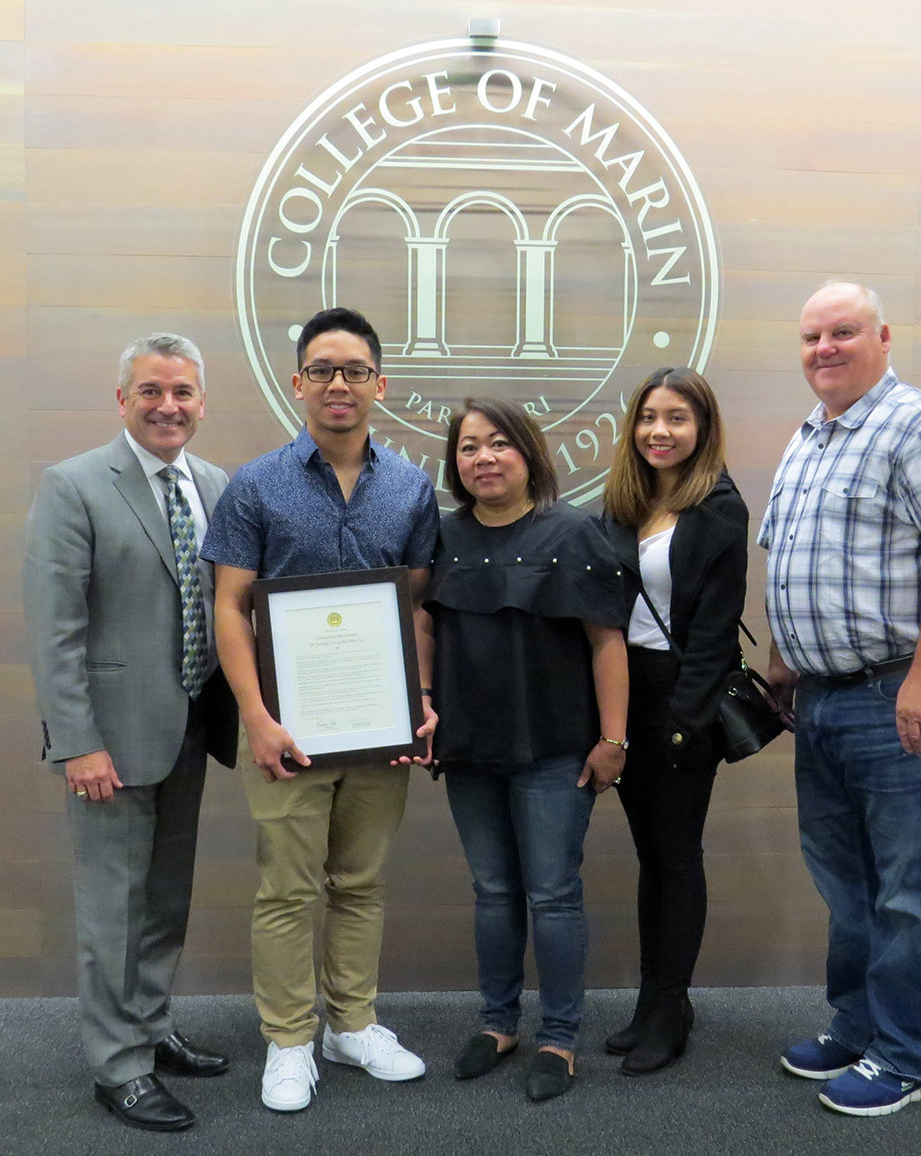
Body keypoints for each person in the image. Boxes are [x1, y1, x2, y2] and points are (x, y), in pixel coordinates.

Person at [759, 282, 921, 1117]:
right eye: (812, 334)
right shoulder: (809, 439)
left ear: (883, 337)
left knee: (908, 887)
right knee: (847, 883)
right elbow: (790, 558)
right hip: (824, 699)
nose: (825, 347)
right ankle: (858, 1027)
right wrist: (784, 662)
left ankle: (910, 1055)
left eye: (843, 332)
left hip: (903, 692)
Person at [201, 307, 438, 1111]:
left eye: (356, 370)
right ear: (298, 382)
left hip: (378, 728)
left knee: (362, 882)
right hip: (285, 728)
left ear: (381, 384)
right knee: (287, 890)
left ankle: (352, 1024)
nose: (341, 384)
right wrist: (257, 719)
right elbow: (229, 608)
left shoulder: (410, 486)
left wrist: (422, 702)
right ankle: (290, 1039)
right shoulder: (256, 484)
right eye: (324, 370)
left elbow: (415, 609)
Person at [23, 334, 239, 1132]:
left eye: (182, 392)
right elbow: (56, 630)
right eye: (150, 391)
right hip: (107, 741)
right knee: (113, 907)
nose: (167, 406)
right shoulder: (74, 485)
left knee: (163, 899)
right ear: (123, 401)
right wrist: (76, 740)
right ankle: (117, 1068)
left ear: (201, 402)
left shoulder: (215, 485)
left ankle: (149, 1030)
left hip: (189, 726)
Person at [421, 398, 628, 1102]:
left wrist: (613, 738)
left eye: (500, 443)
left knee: (554, 895)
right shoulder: (440, 536)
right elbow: (423, 624)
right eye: (470, 446)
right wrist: (419, 699)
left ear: (529, 453)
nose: (483, 457)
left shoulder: (574, 530)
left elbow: (607, 642)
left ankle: (560, 1037)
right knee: (494, 892)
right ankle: (498, 1022)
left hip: (554, 749)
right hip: (470, 747)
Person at [601, 367, 749, 1076]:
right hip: (626, 696)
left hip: (685, 702)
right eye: (649, 417)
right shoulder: (624, 502)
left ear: (702, 428)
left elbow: (716, 633)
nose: (660, 431)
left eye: (677, 419)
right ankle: (654, 1002)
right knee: (650, 857)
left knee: (677, 856)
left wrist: (685, 728)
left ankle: (670, 1007)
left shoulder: (719, 507)